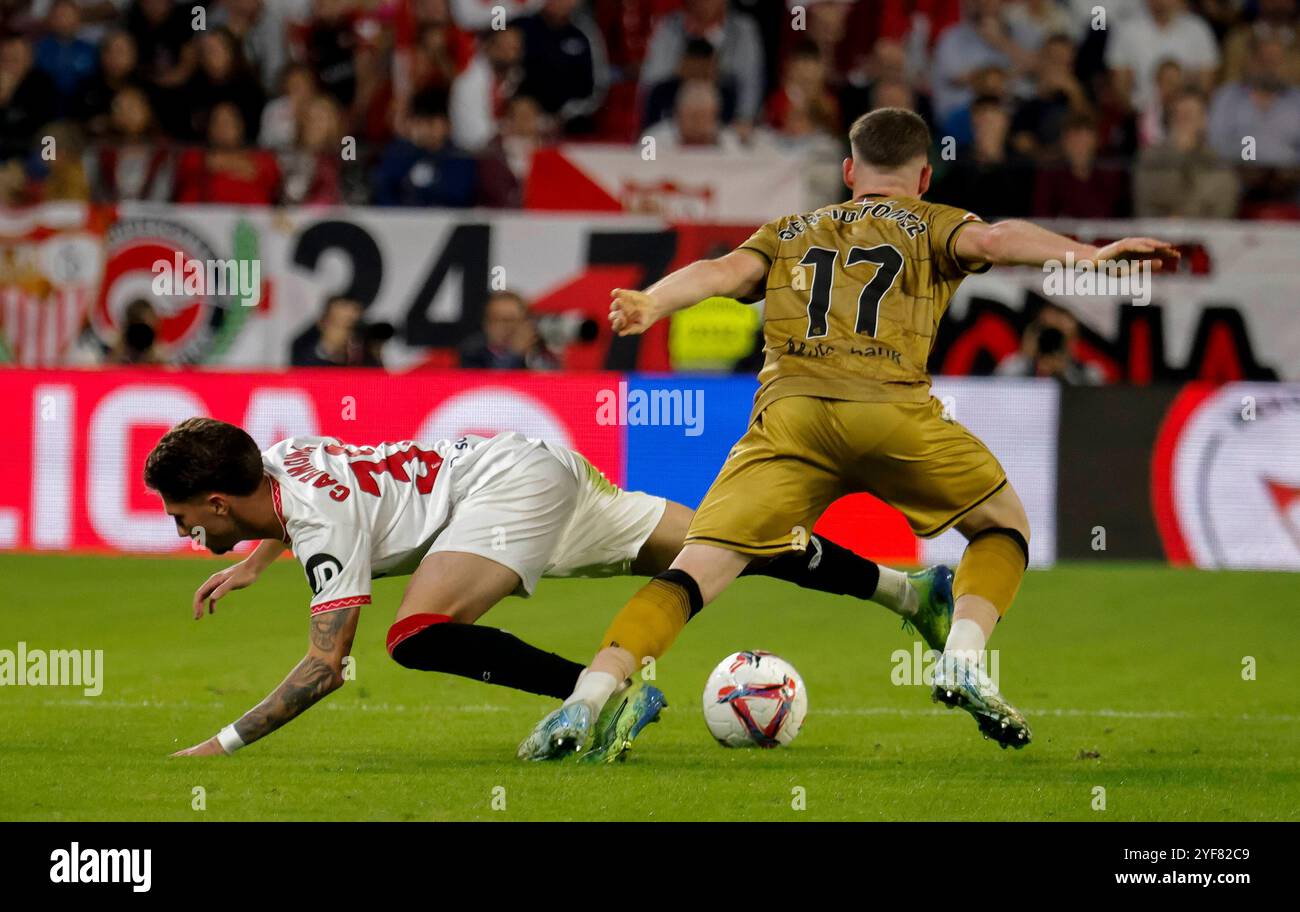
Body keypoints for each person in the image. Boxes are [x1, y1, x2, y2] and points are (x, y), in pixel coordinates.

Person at [519, 107, 1178, 763]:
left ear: (847, 171)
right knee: (1003, 526)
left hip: (790, 424)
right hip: (890, 414)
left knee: (693, 573)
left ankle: (589, 694)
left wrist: (652, 301)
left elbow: (720, 274)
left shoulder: (791, 230)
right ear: (923, 176)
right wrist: (1087, 255)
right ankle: (964, 660)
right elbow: (1001, 240)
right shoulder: (934, 221)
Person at [146, 418, 954, 756]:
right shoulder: (282, 455)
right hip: (522, 466)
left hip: (497, 494)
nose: (187, 533)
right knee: (722, 541)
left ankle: (600, 698)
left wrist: (220, 745)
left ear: (219, 499)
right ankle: (907, 593)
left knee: (414, 635)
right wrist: (252, 560)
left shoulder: (316, 518)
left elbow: (325, 668)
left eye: (187, 518)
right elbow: (291, 513)